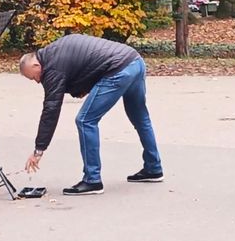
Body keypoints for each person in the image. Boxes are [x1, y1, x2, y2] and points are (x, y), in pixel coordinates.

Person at [19, 34, 163, 196]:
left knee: (85, 120)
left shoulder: (52, 67)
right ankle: (154, 168)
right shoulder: (56, 51)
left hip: (118, 70)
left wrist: (39, 150)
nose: (38, 81)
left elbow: (51, 109)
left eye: (34, 77)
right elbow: (86, 64)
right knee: (141, 118)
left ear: (36, 65)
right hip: (135, 61)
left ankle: (92, 179)